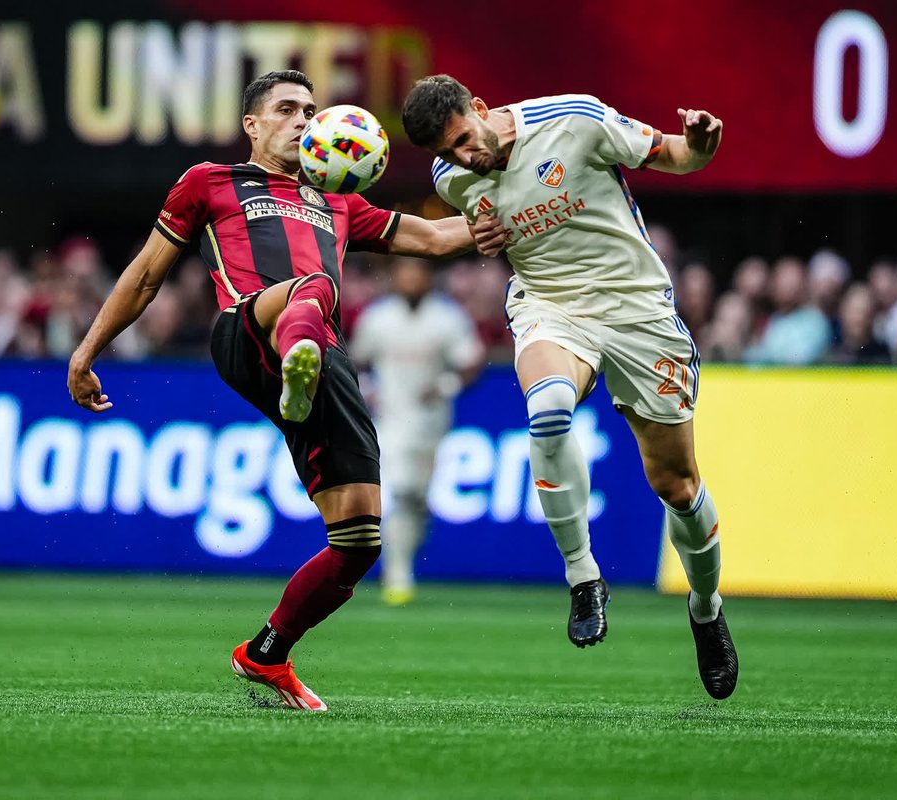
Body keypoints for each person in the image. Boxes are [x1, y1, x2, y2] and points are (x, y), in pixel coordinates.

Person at [66, 70, 477, 711]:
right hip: (246, 330)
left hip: (324, 364)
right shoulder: (209, 182)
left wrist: (522, 213)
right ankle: (296, 359)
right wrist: (88, 351)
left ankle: (266, 653)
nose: (303, 119)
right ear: (252, 125)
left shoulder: (338, 200)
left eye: (311, 110)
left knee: (359, 540)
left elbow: (431, 237)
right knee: (317, 286)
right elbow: (147, 274)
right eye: (287, 109)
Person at [402, 75, 739, 699]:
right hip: (551, 308)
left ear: (479, 108)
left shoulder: (575, 119)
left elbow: (678, 155)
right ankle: (584, 579)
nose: (464, 158)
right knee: (549, 411)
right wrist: (478, 237)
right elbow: (482, 228)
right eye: (447, 154)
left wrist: (702, 143)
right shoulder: (453, 181)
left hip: (637, 309)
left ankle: (706, 608)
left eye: (464, 140)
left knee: (677, 484)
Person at [349, 257, 484, 606]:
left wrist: (446, 386)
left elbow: (471, 362)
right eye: (405, 272)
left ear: (428, 278)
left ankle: (405, 553)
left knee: (417, 496)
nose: (411, 279)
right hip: (389, 419)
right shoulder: (378, 317)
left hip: (430, 422)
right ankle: (397, 575)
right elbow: (358, 359)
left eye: (418, 273)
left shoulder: (448, 317)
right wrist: (367, 388)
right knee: (401, 490)